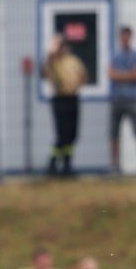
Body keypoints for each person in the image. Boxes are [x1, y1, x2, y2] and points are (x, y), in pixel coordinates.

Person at [44, 35, 88, 178]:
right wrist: (52, 51)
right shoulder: (53, 62)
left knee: (72, 133)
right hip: (59, 99)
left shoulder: (73, 61)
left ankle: (67, 165)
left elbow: (83, 75)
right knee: (61, 133)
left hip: (72, 98)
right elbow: (46, 71)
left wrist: (77, 84)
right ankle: (53, 163)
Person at [108, 25, 136, 175]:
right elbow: (111, 75)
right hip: (116, 100)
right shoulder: (114, 56)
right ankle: (115, 166)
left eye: (127, 36)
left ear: (131, 37)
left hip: (132, 99)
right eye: (122, 36)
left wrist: (121, 75)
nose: (124, 39)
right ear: (119, 38)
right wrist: (128, 75)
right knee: (114, 134)